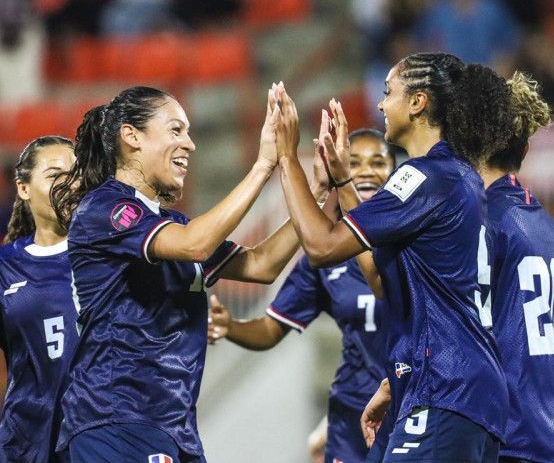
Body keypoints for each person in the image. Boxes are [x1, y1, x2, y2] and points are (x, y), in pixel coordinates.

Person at [362, 66, 554, 463]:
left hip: (500, 433)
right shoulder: (547, 229)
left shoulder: (478, 223)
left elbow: (455, 324)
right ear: (524, 151)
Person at [49, 86, 329, 462]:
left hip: (172, 426)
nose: (190, 144)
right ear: (131, 136)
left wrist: (318, 191)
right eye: (176, 130)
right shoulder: (106, 209)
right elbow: (194, 245)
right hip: (116, 419)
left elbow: (263, 265)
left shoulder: (172, 225)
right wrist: (263, 167)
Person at [272, 51, 512, 462]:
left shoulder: (421, 176)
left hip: (443, 389)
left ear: (417, 102)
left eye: (389, 92)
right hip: (459, 390)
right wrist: (345, 181)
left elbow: (321, 246)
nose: (381, 104)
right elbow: (384, 283)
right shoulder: (456, 175)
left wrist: (285, 156)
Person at [207, 128, 396, 463]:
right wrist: (230, 326)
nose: (366, 170)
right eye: (354, 162)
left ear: (395, 173)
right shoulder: (324, 254)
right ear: (339, 170)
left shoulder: (415, 240)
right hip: (351, 412)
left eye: (378, 161)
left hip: (410, 403)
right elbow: (272, 328)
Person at [0, 136, 76, 463]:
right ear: (23, 188)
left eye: (76, 175)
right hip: (25, 444)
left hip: (98, 438)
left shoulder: (113, 254)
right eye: (55, 175)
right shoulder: (6, 267)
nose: (69, 185)